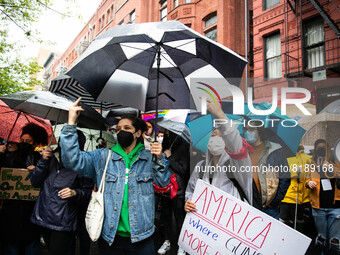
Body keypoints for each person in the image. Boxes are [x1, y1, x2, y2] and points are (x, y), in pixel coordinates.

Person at [60, 98, 171, 254]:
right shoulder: (103, 157)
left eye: (126, 128)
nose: (121, 132)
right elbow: (72, 160)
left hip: (142, 238)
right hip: (110, 238)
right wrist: (71, 123)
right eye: (118, 129)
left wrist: (159, 159)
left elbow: (164, 186)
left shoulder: (149, 158)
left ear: (138, 132)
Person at [30, 130, 93, 255]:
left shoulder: (83, 163)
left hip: (63, 220)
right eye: (64, 140)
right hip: (43, 216)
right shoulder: (50, 158)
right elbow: (35, 182)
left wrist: (75, 193)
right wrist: (43, 161)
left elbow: (88, 193)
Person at [185, 100, 253, 213]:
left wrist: (221, 116)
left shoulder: (239, 165)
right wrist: (189, 202)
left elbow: (235, 142)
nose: (216, 139)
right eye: (213, 135)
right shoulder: (200, 167)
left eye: (222, 136)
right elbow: (190, 192)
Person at [0, 123, 48, 255]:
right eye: (22, 140)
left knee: (31, 244)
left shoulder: (39, 158)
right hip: (11, 209)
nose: (24, 143)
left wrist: (38, 169)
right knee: (11, 244)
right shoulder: (10, 156)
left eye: (28, 141)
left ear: (34, 143)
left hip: (31, 210)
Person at [243, 122, 290, 219]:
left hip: (268, 208)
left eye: (251, 130)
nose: (247, 132)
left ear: (260, 131)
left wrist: (274, 201)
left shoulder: (275, 150)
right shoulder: (242, 150)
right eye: (245, 129)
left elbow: (285, 176)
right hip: (246, 205)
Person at [157, 131, 190, 255]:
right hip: (165, 186)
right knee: (166, 216)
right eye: (166, 131)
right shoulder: (165, 145)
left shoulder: (183, 146)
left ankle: (182, 244)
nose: (167, 133)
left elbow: (183, 169)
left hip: (178, 188)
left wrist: (169, 157)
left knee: (179, 217)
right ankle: (167, 241)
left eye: (168, 131)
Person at [306, 139, 340, 255]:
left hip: (335, 207)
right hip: (318, 206)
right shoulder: (311, 163)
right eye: (318, 147)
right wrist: (309, 182)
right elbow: (307, 178)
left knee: (335, 241)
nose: (320, 149)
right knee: (321, 239)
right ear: (315, 149)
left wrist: (330, 167)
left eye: (323, 147)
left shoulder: (335, 161)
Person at [280, 145, 313, 232]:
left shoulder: (307, 158)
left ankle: (298, 237)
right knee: (283, 218)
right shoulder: (286, 156)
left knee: (299, 219)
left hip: (301, 195)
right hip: (288, 195)